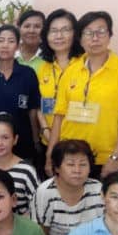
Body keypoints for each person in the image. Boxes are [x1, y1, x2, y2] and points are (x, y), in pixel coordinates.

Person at [46, 11, 118, 179]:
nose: (95, 38)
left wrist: (115, 156)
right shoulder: (71, 70)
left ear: (110, 35)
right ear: (80, 38)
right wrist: (50, 154)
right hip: (69, 157)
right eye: (88, 32)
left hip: (106, 158)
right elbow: (58, 117)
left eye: (101, 31)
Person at [0, 25, 41, 161]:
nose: (5, 45)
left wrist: (36, 139)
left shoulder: (28, 74)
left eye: (11, 41)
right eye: (1, 41)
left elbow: (32, 110)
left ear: (18, 46)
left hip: (23, 143)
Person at [37, 9, 84, 151]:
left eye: (65, 30)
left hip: (79, 143)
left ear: (75, 34)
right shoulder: (43, 67)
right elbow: (38, 103)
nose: (59, 36)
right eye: (53, 31)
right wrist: (45, 129)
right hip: (48, 140)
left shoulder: (84, 65)